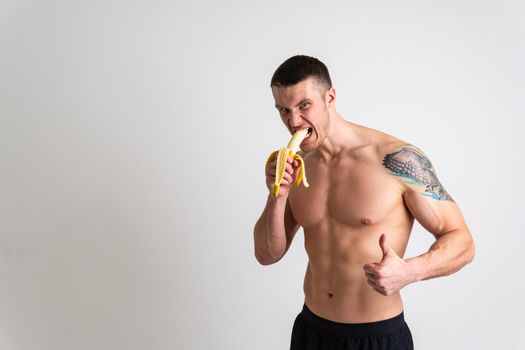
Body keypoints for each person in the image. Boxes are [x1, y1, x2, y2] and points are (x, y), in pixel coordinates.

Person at [253, 55, 475, 350]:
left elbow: (463, 241)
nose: (293, 122)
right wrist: (277, 195)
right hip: (312, 330)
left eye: (304, 106)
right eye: (283, 110)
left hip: (377, 336)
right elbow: (268, 254)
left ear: (330, 97)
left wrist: (411, 271)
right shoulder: (298, 166)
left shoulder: (396, 159)